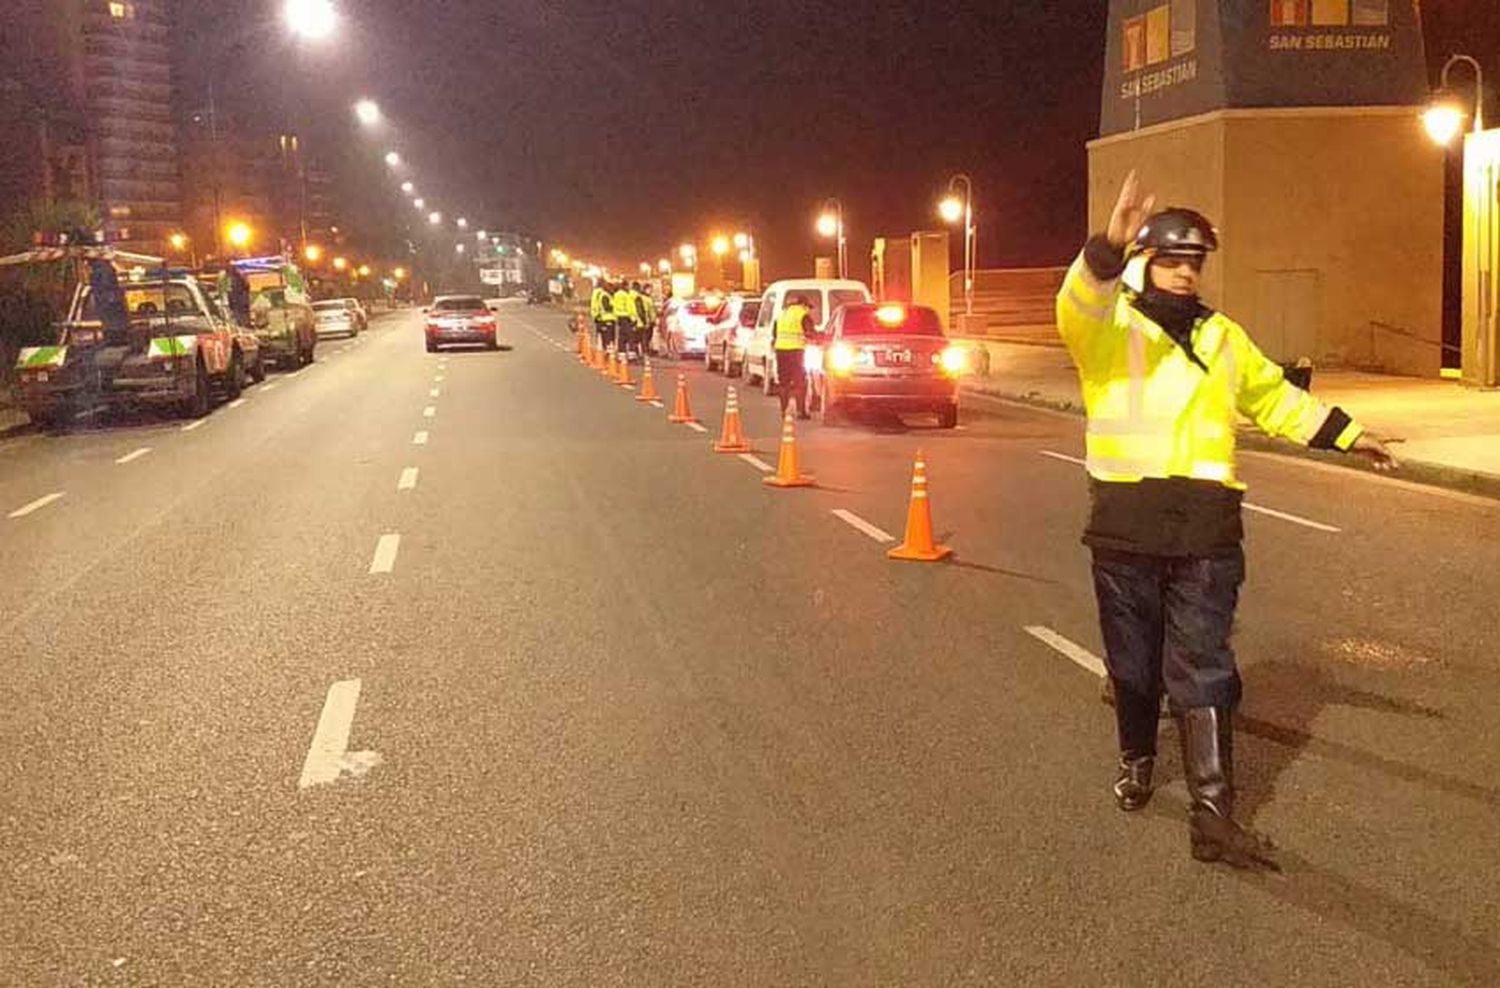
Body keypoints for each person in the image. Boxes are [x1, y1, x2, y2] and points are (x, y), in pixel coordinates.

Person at [1056, 172, 1397, 871]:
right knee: (1132, 664)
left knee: (1205, 666)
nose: (1184, 274)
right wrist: (1108, 245)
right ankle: (1138, 758)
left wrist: (1348, 433)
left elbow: (1277, 400)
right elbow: (1076, 301)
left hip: (1207, 527)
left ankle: (1214, 816)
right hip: (1127, 525)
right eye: (1171, 260)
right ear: (1146, 263)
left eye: (1194, 263)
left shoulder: (1224, 338)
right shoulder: (1107, 328)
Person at [772, 293, 816, 419]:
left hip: (780, 350)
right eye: (807, 306)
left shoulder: (782, 314)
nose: (808, 309)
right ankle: (801, 411)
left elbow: (774, 334)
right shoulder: (802, 314)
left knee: (783, 383)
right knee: (800, 382)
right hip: (796, 351)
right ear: (803, 304)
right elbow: (810, 332)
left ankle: (784, 411)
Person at [611, 280, 637, 359]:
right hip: (626, 317)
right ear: (625, 286)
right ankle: (631, 355)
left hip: (619, 317)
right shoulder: (626, 295)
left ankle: (621, 354)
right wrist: (633, 318)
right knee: (630, 336)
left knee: (621, 336)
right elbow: (629, 307)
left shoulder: (616, 295)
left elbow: (613, 304)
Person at [591, 281, 615, 353]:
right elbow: (606, 306)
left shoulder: (596, 292)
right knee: (607, 334)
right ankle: (606, 348)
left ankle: (602, 347)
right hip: (605, 316)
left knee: (602, 333)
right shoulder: (603, 294)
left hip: (598, 315)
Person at [634, 283, 656, 358]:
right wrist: (645, 321)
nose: (651, 291)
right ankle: (643, 352)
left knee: (647, 337)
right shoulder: (641, 298)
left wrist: (653, 320)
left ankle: (644, 351)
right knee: (643, 338)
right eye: (649, 289)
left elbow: (651, 310)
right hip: (643, 321)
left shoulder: (649, 298)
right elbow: (641, 310)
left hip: (649, 321)